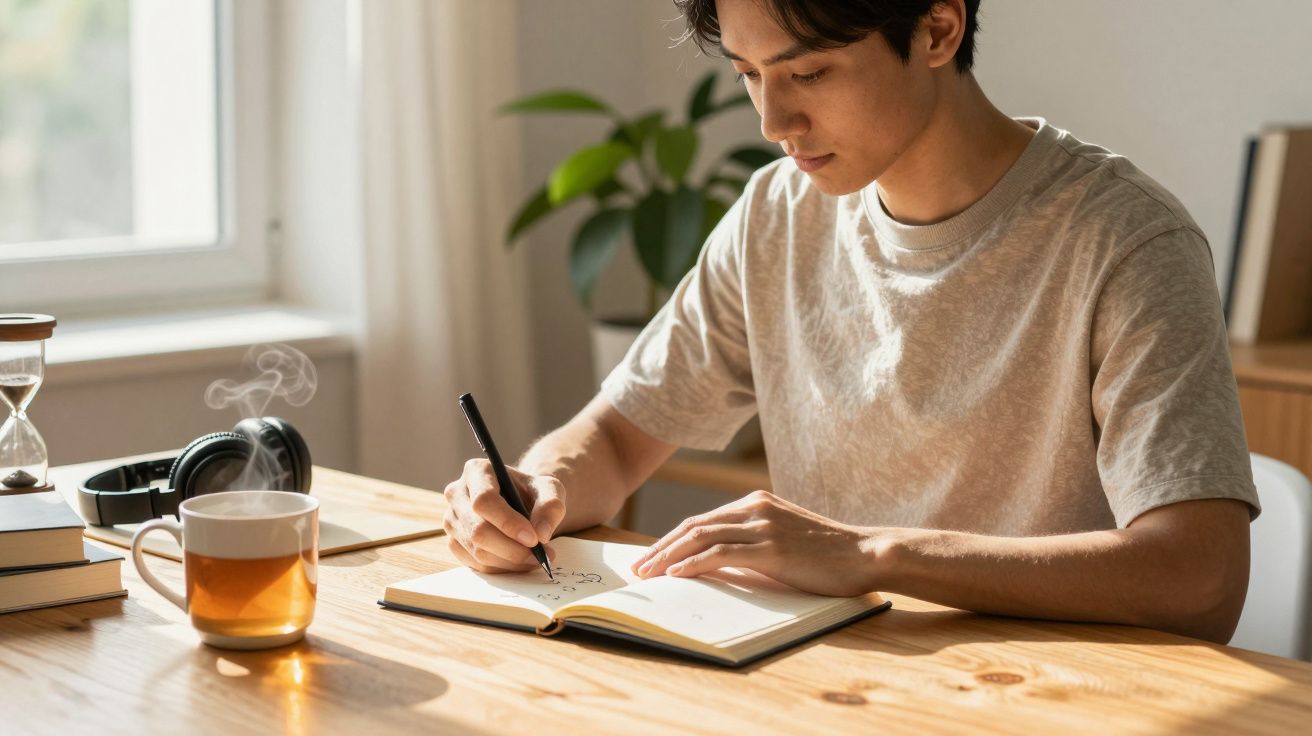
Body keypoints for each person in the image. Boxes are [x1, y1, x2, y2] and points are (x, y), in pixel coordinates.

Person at [442, 0, 1260, 644]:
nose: (773, 122)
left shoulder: (1127, 240)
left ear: (938, 27)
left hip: (1037, 697)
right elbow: (618, 438)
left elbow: (1199, 579)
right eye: (750, 74)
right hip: (820, 687)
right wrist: (538, 486)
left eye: (811, 72)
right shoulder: (777, 215)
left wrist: (870, 554)